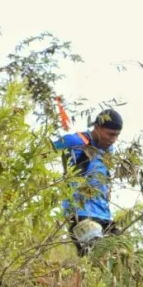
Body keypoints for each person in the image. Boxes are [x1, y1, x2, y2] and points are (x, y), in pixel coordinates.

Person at [52, 108, 123, 256]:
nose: (113, 139)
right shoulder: (75, 141)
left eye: (117, 135)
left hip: (104, 215)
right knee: (96, 255)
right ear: (97, 127)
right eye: (110, 134)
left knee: (121, 256)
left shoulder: (110, 150)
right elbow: (43, 151)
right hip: (80, 213)